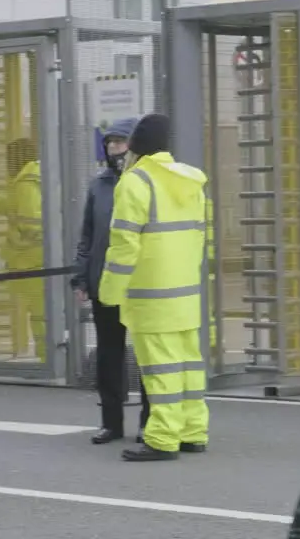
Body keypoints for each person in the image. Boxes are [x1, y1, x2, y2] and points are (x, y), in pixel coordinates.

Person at [98, 113, 211, 462]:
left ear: (136, 146)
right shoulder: (191, 182)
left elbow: (124, 246)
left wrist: (109, 292)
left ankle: (162, 438)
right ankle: (193, 431)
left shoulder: (135, 182)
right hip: (186, 293)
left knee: (160, 369)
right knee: (189, 365)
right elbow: (202, 239)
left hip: (151, 295)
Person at [71, 118, 151, 445]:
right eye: (110, 143)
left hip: (143, 284)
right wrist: (81, 278)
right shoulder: (99, 186)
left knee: (148, 357)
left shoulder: (148, 182)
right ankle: (111, 423)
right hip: (106, 282)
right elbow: (87, 236)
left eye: (120, 142)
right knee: (109, 355)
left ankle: (151, 422)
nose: (114, 148)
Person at [3, 138, 45, 361]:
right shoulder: (34, 176)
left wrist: (25, 234)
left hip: (32, 261)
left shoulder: (25, 182)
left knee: (40, 317)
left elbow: (30, 222)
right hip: (35, 260)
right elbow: (14, 206)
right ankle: (47, 358)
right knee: (40, 315)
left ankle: (48, 360)